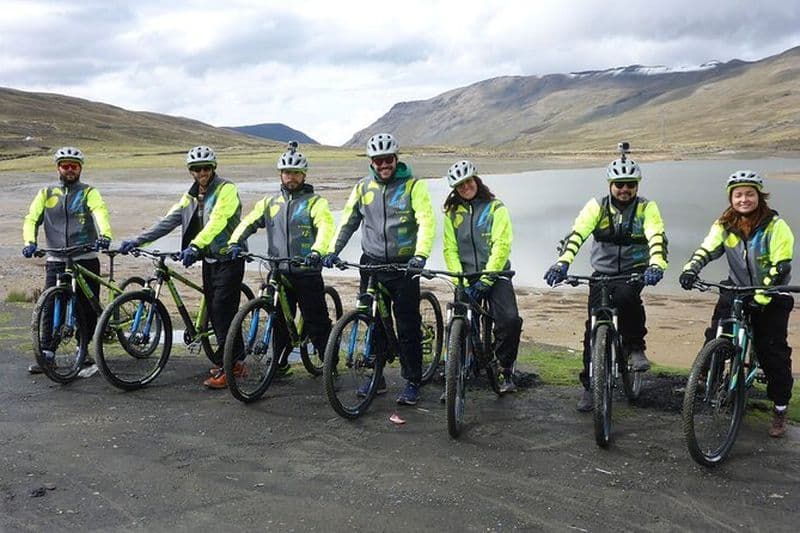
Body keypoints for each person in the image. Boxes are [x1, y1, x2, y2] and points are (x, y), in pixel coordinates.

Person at [544, 144, 668, 412]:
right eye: (619, 185)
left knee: (626, 297)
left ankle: (634, 347)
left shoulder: (647, 208)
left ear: (636, 186)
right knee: (593, 328)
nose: (624, 190)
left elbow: (656, 237)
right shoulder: (596, 208)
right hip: (601, 274)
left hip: (634, 272)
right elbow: (577, 234)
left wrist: (656, 264)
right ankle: (590, 386)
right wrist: (562, 263)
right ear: (611, 185)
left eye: (630, 185)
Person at [679, 170, 794, 438]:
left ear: (759, 196)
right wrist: (690, 270)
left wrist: (762, 296)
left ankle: (779, 406)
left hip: (772, 294)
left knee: (772, 352)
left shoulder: (777, 227)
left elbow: (781, 266)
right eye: (738, 194)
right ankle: (708, 377)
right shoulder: (724, 225)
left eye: (749, 194)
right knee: (715, 334)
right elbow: (707, 249)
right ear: (731, 198)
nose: (744, 199)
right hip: (737, 288)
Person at [119, 146, 245, 388]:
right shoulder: (190, 196)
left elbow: (218, 221)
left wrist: (196, 245)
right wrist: (139, 239)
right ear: (191, 172)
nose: (202, 173)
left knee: (222, 311)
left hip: (228, 258)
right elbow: (169, 220)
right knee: (215, 309)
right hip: (208, 260)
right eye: (197, 169)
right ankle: (230, 360)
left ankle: (233, 367)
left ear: (213, 168)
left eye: (206, 168)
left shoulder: (226, 189)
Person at [322, 133, 435, 405]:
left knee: (406, 324)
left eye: (388, 160)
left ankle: (412, 380)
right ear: (371, 163)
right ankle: (377, 377)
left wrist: (420, 255)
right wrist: (332, 251)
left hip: (404, 266)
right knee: (372, 320)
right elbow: (348, 221)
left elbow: (426, 221)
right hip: (371, 263)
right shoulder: (363, 188)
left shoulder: (413, 186)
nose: (383, 165)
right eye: (378, 161)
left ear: (396, 159)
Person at [227, 142, 335, 375]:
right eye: (287, 172)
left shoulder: (315, 202)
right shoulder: (270, 202)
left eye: (296, 172)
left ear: (304, 174)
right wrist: (235, 241)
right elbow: (248, 222)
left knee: (316, 321)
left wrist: (317, 251)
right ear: (281, 174)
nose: (291, 177)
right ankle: (280, 362)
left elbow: (325, 227)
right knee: (278, 321)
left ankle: (330, 364)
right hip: (278, 270)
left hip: (306, 271)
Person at [22, 146, 113, 373]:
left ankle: (84, 349)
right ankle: (48, 353)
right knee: (51, 304)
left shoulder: (89, 192)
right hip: (56, 258)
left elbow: (99, 212)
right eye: (65, 166)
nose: (69, 170)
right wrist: (29, 242)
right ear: (58, 168)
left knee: (87, 307)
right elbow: (32, 218)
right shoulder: (46, 193)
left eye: (74, 166)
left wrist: (105, 235)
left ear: (80, 168)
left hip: (85, 257)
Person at [442, 160, 522, 394]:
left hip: (497, 274)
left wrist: (487, 278)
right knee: (457, 324)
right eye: (460, 185)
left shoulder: (496, 208)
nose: (465, 187)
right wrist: (460, 280)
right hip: (466, 276)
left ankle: (505, 366)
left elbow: (502, 245)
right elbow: (450, 249)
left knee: (509, 320)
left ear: (476, 179)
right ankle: (454, 375)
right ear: (455, 189)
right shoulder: (452, 214)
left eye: (468, 181)